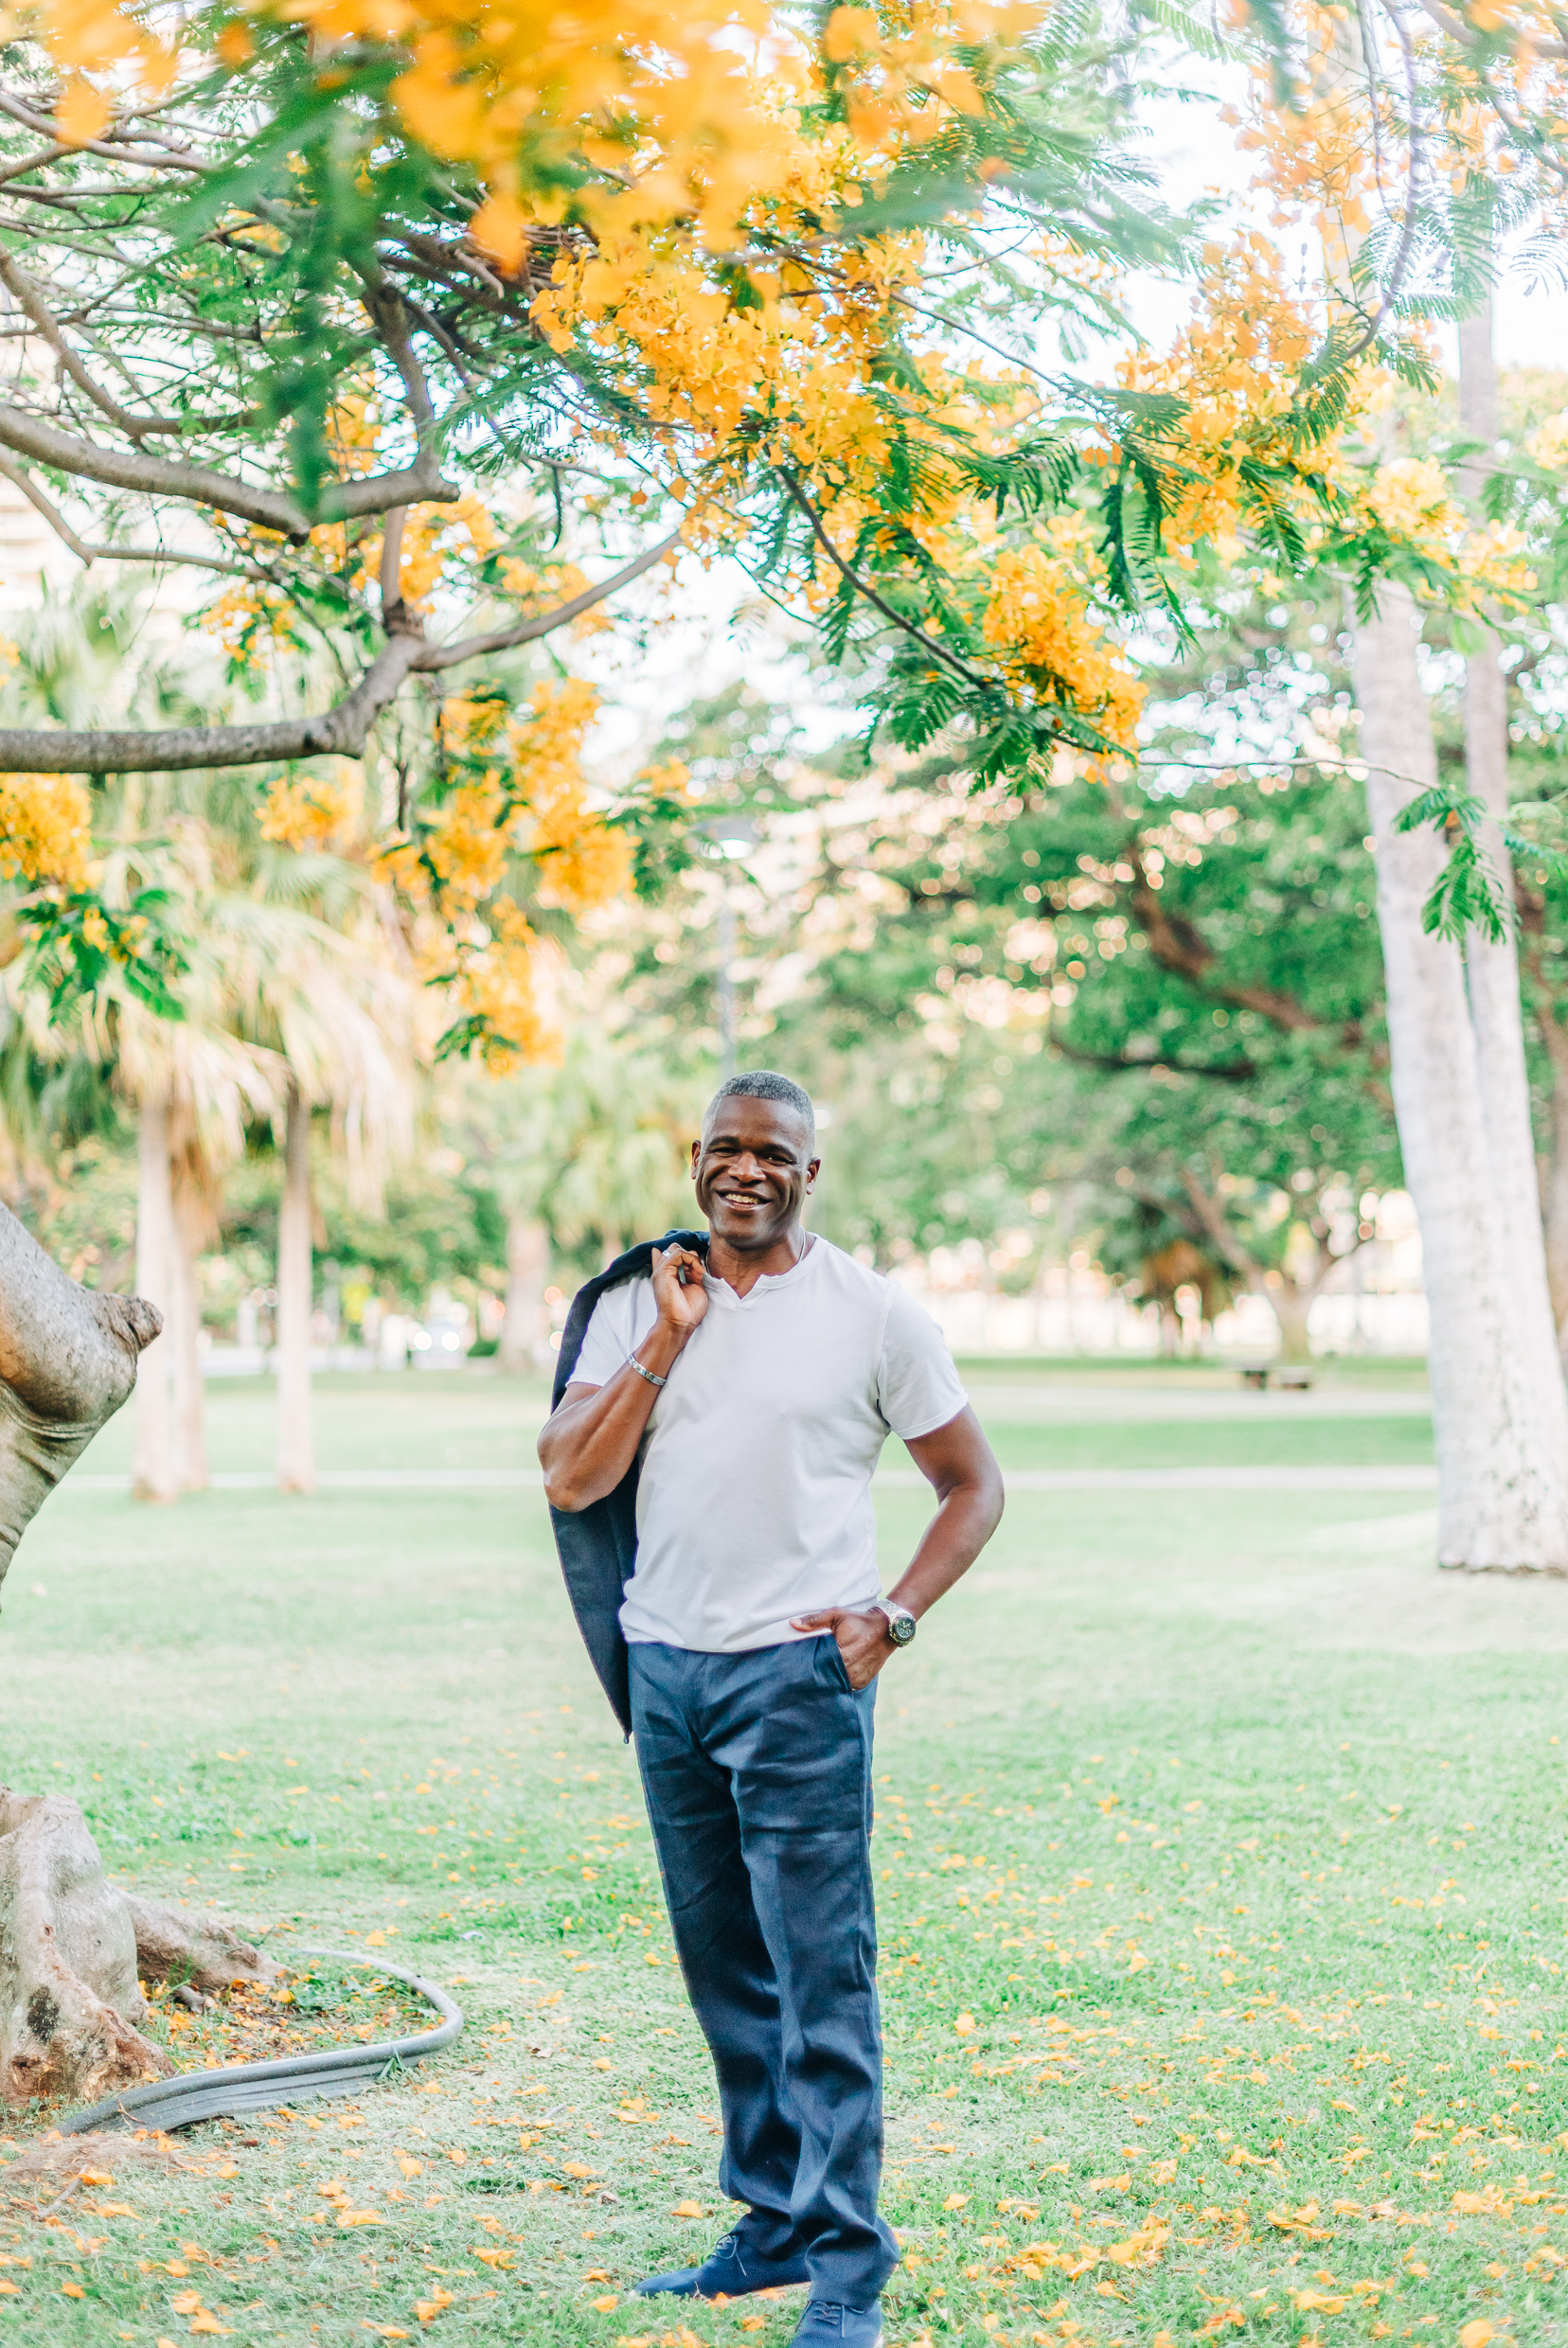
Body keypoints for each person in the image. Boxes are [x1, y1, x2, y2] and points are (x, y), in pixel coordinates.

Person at [538, 1070, 1005, 2348]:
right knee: (729, 1974)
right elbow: (573, 1476)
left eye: (775, 1154)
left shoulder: (872, 1315)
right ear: (696, 1158)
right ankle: (772, 2224)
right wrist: (669, 1335)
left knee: (821, 1979)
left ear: (812, 1173)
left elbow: (972, 1486)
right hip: (669, 1676)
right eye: (726, 1150)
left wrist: (892, 1614)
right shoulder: (641, 1294)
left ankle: (849, 2263)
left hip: (798, 1685)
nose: (747, 1170)